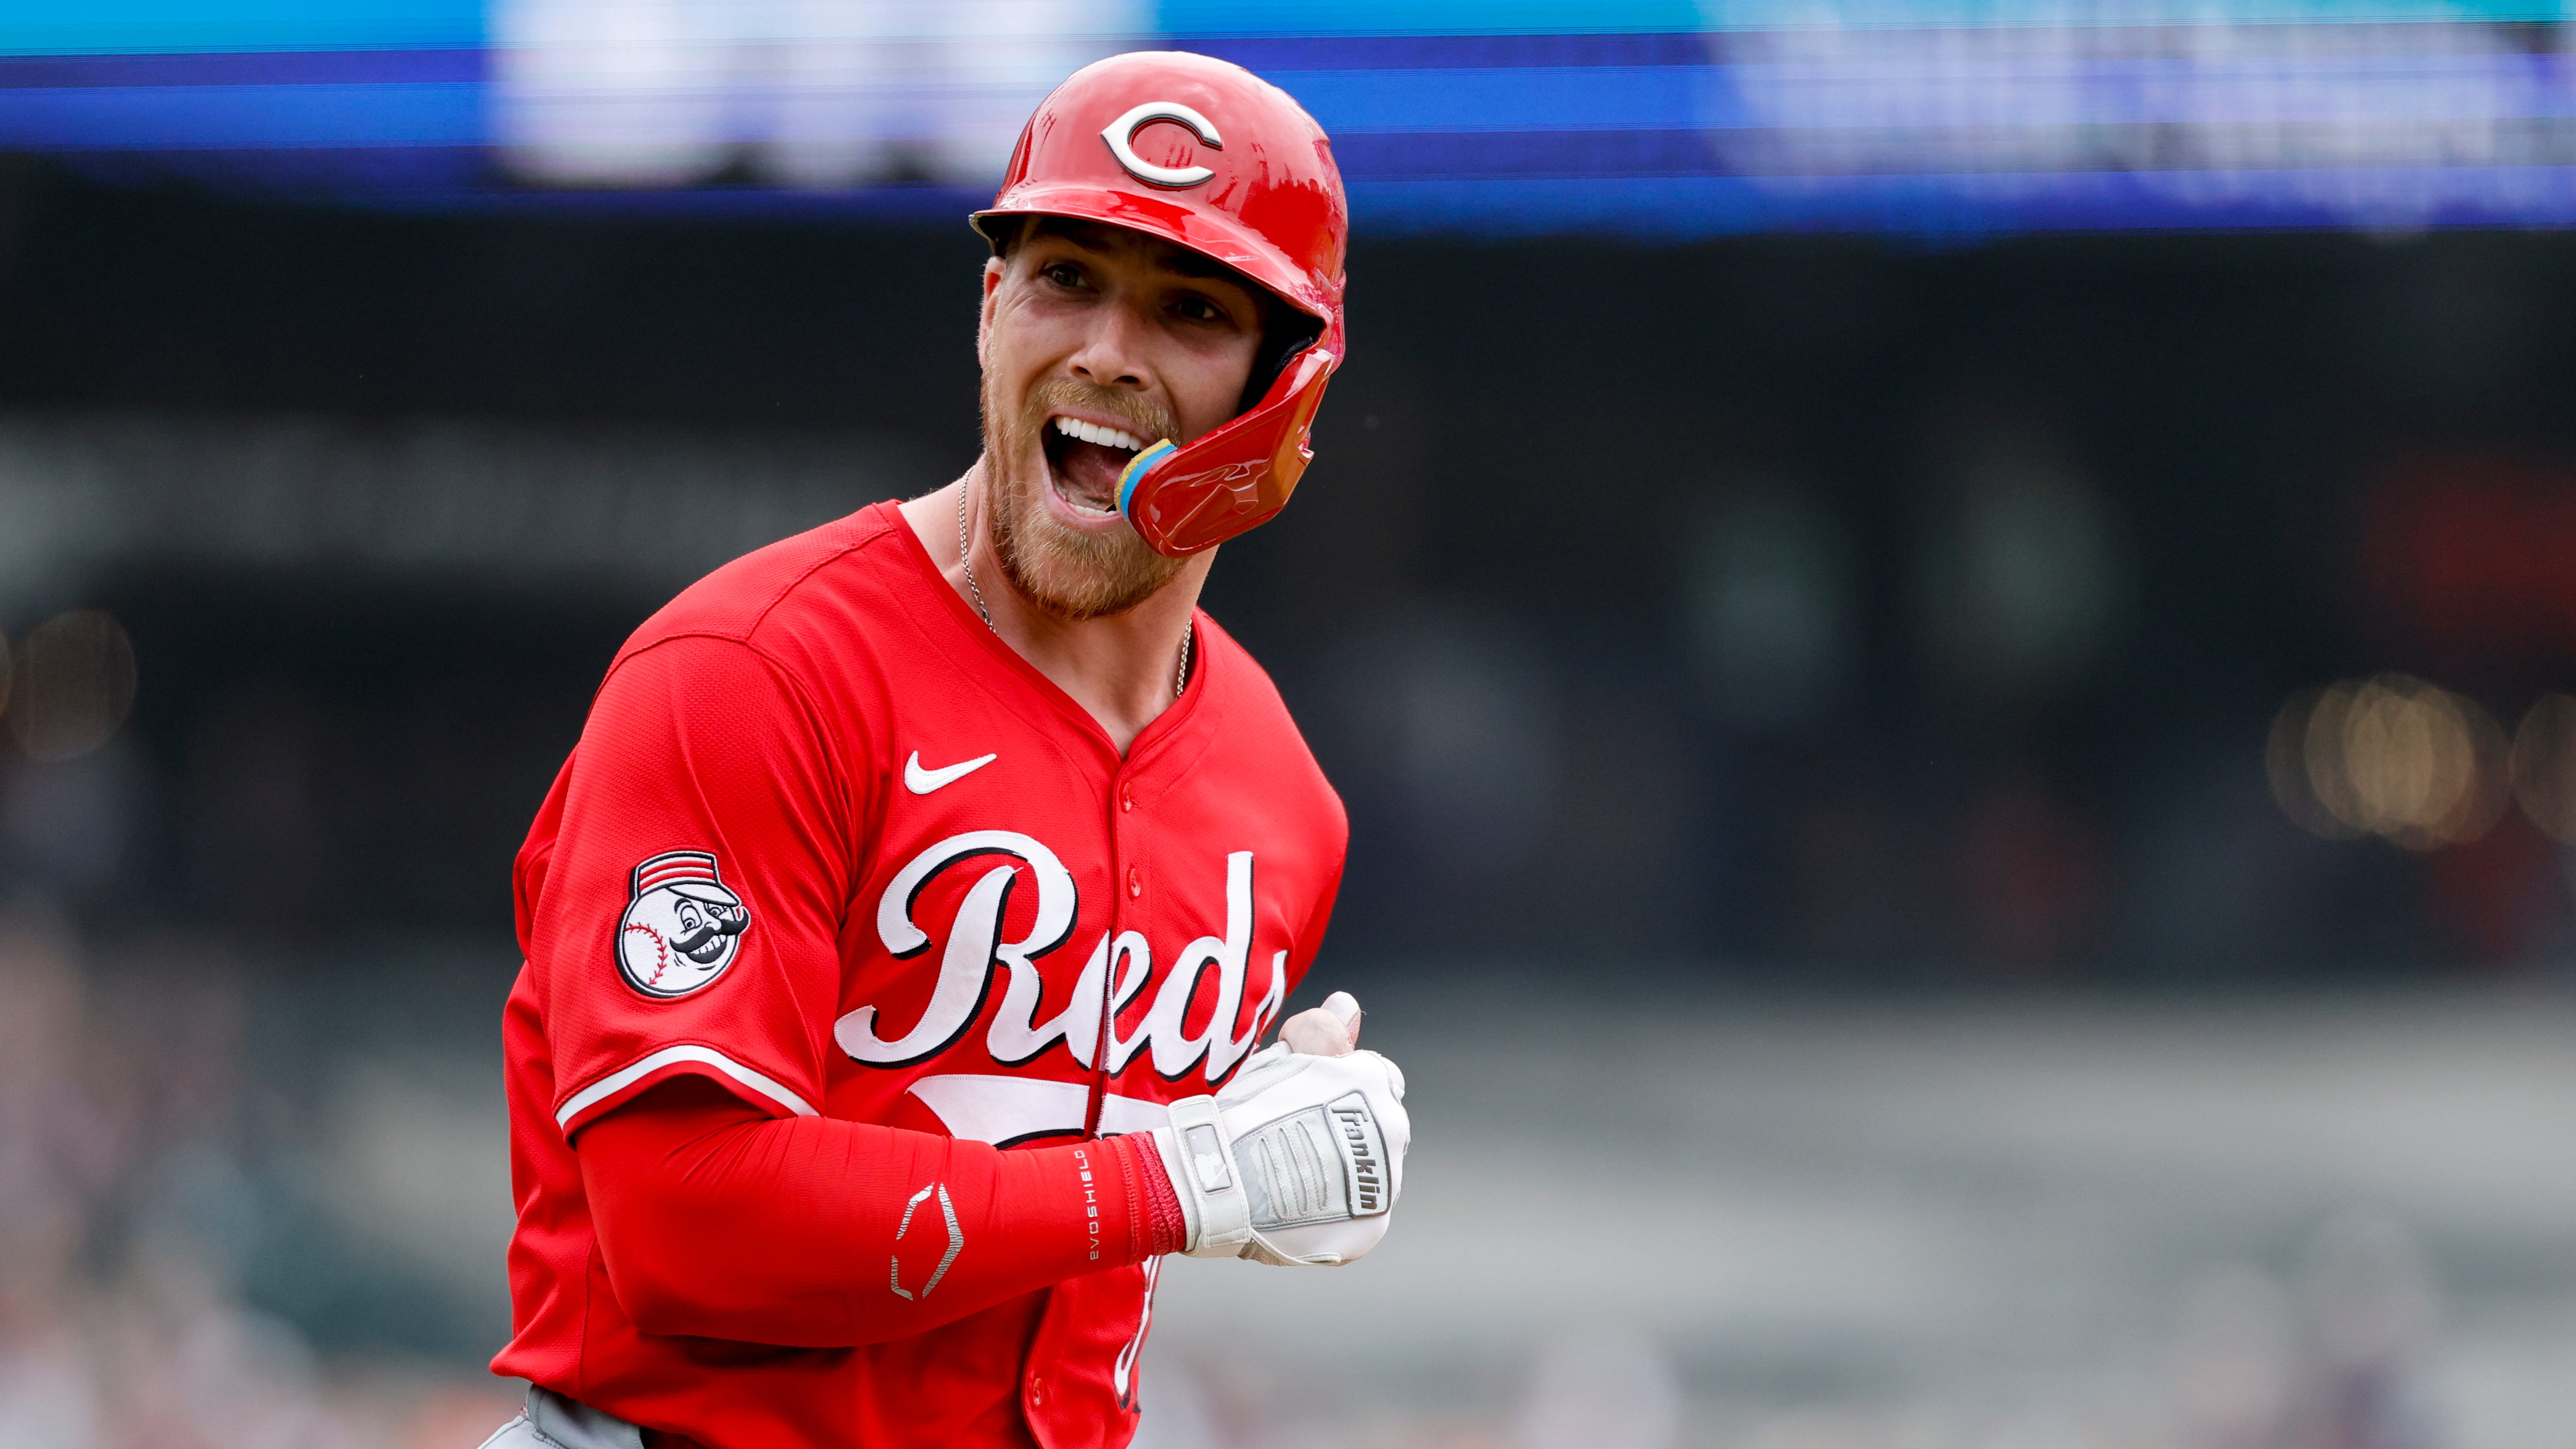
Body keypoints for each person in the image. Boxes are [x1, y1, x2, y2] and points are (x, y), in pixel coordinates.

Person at [479, 50, 1409, 1449]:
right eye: (1066, 278)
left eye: (1191, 308)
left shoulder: (1282, 801)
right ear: (989, 310)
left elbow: (1068, 1254)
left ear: (1284, 399)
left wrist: (1258, 1129)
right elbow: (682, 1223)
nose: (1108, 349)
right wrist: (1182, 1178)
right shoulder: (751, 673)